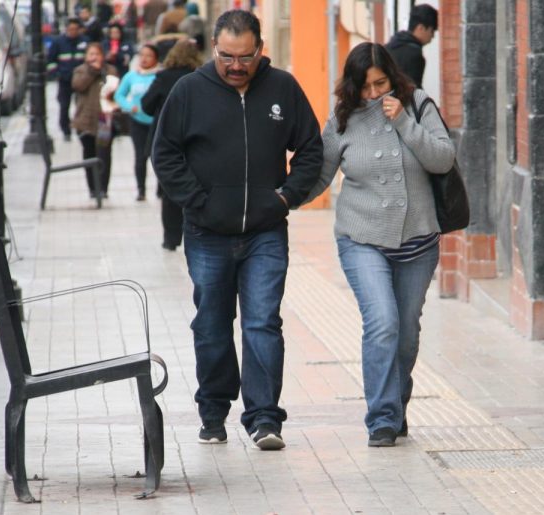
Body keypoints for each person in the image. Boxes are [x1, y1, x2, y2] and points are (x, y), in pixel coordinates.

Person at [152, 9, 323, 450]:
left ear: (259, 50)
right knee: (211, 324)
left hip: (265, 232)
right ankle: (213, 411)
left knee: (263, 322)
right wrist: (199, 200)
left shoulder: (282, 87)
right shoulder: (190, 91)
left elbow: (310, 149)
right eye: (227, 56)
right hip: (207, 233)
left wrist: (285, 197)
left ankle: (265, 418)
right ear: (214, 48)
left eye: (244, 57)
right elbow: (165, 154)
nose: (235, 65)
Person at [304, 42, 455, 447]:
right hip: (362, 238)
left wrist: (404, 121)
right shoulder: (341, 119)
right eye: (365, 87)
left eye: (380, 83)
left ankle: (396, 404)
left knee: (405, 332)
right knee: (383, 323)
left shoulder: (418, 104)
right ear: (353, 86)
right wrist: (281, 200)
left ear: (393, 76)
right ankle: (382, 419)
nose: (374, 94)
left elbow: (442, 159)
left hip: (418, 242)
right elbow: (319, 174)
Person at [142, 38, 202, 251]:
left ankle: (171, 237)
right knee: (196, 184)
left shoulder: (163, 77)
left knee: (169, 190)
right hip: (195, 140)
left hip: (166, 139)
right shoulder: (200, 78)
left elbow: (147, 106)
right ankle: (193, 231)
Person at [71, 42, 119, 198]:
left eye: (97, 54)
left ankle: (103, 188)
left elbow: (114, 91)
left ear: (103, 56)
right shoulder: (80, 70)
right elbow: (78, 86)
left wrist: (102, 74)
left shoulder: (110, 70)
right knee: (89, 154)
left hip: (105, 119)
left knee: (104, 154)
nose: (94, 57)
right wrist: (92, 72)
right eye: (91, 54)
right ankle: (92, 188)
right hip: (85, 119)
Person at [114, 43, 159, 201]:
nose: (144, 59)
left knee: (159, 157)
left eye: (149, 56)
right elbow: (119, 95)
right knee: (140, 156)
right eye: (142, 55)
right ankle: (141, 190)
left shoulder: (159, 76)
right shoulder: (131, 76)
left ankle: (161, 190)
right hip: (137, 122)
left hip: (157, 123)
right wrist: (129, 106)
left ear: (156, 59)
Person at [47, 17, 88, 141]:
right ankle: (66, 130)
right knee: (64, 106)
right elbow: (50, 61)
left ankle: (80, 128)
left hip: (82, 81)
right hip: (65, 80)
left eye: (75, 29)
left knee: (81, 106)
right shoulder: (58, 42)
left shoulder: (85, 42)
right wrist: (57, 74)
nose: (73, 32)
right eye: (70, 29)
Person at [385, 4, 438, 89]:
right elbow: (415, 92)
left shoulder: (390, 46)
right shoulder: (415, 55)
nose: (432, 36)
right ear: (420, 28)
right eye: (432, 31)